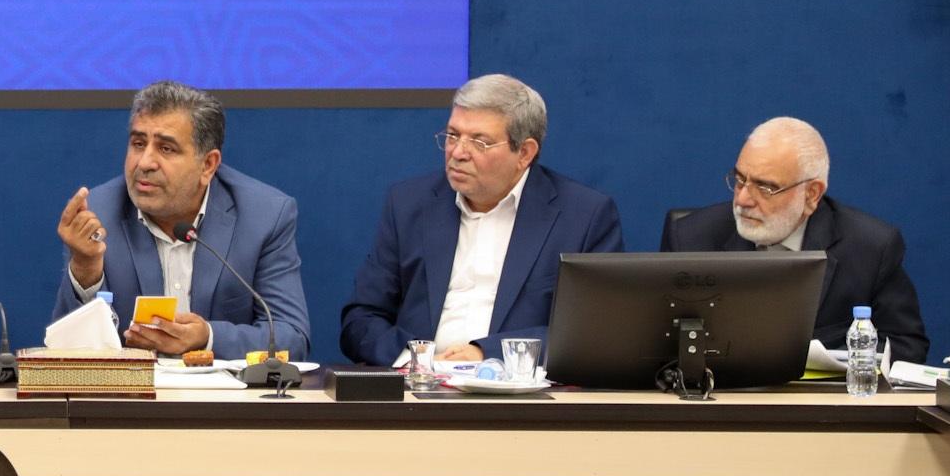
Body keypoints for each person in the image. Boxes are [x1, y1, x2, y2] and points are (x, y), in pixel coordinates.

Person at [341, 74, 622, 366]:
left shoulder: (583, 216)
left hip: (519, 387)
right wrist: (416, 362)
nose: (458, 152)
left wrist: (487, 354)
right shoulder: (409, 204)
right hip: (420, 384)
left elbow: (597, 331)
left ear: (524, 153)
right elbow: (361, 318)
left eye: (479, 142)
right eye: (452, 135)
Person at [53, 81, 309, 358]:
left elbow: (291, 337)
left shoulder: (263, 216)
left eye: (166, 149)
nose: (145, 163)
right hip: (134, 386)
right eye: (138, 144)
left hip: (222, 387)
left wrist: (207, 337)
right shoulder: (97, 215)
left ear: (208, 165)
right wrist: (85, 268)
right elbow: (64, 352)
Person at [659, 117, 929, 363]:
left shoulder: (870, 247)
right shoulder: (691, 238)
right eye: (740, 180)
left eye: (766, 187)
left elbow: (906, 348)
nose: (742, 199)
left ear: (812, 195)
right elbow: (660, 344)